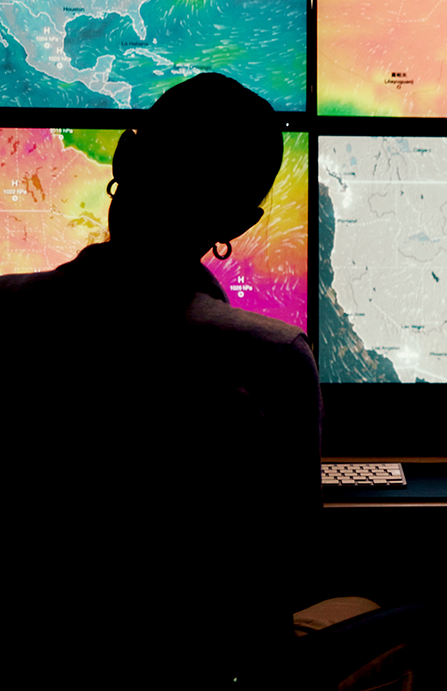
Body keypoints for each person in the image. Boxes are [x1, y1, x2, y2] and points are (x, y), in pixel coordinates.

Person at [0, 74, 321, 689]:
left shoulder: (1, 315)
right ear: (240, 220)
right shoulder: (270, 358)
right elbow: (296, 570)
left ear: (125, 156)